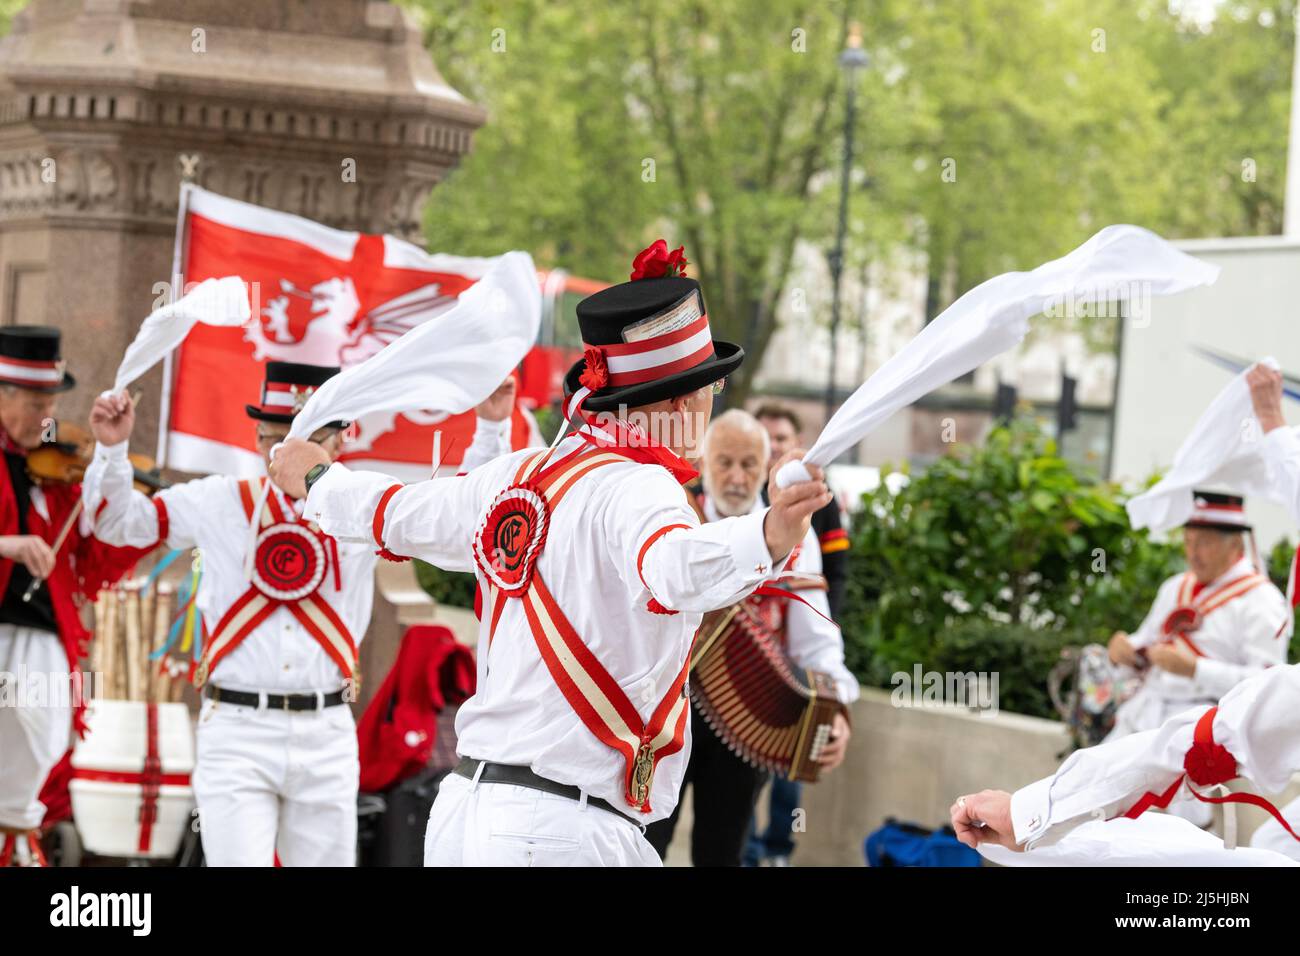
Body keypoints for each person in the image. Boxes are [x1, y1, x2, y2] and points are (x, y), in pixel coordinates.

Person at [270, 242, 834, 866]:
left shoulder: (515, 476)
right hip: (565, 829)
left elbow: (398, 514)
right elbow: (674, 568)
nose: (712, 401)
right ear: (681, 401)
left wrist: (319, 479)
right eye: (710, 387)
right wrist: (768, 536)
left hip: (463, 815)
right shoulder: (642, 487)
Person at [950, 362, 1300, 862]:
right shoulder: (1176, 587)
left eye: (1204, 541)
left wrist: (1196, 668)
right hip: (1146, 734)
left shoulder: (1260, 600)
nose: (1194, 551)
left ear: (1233, 544)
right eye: (1188, 539)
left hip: (1192, 748)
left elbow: (1263, 690)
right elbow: (1147, 650)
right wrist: (1127, 650)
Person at [644, 409, 856, 866]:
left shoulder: (798, 534)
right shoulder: (675, 519)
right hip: (663, 721)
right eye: (724, 463)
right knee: (644, 847)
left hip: (747, 723)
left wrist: (837, 706)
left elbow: (815, 640)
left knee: (723, 852)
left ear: (766, 469)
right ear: (703, 462)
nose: (737, 477)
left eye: (748, 465)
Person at [0, 326, 145, 867]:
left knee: (42, 741)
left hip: (40, 632)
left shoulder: (58, 471)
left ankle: (16, 840)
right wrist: (5, 544)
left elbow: (97, 552)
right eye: (37, 402)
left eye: (53, 402)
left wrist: (113, 469)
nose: (48, 415)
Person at [754, 403, 849, 616]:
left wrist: (824, 622)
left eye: (780, 438)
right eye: (765, 438)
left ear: (797, 442)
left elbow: (835, 572)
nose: (772, 446)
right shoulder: (738, 496)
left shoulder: (820, 497)